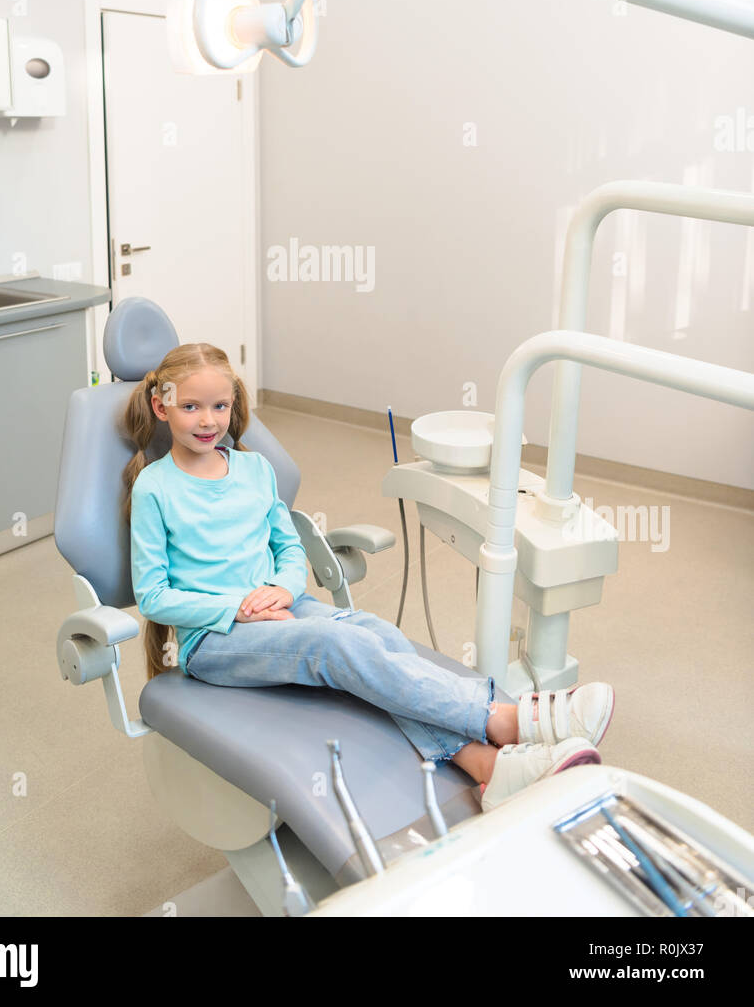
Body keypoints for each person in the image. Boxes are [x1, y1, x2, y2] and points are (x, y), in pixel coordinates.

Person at [123, 342, 615, 812]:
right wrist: (238, 609)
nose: (208, 421)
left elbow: (288, 547)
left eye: (219, 406)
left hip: (280, 606)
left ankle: (486, 765)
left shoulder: (253, 469)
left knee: (377, 635)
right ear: (161, 407)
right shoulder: (155, 487)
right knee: (331, 647)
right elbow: (153, 596)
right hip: (214, 639)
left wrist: (283, 589)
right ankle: (504, 720)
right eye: (191, 407)